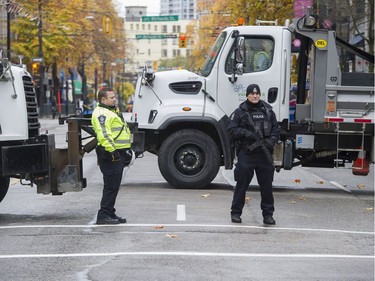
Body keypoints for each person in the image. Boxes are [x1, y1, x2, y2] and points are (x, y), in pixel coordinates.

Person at [228, 84, 281, 225]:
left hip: (264, 154)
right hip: (247, 153)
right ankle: (236, 213)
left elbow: (276, 129)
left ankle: (268, 215)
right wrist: (247, 133)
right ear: (247, 95)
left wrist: (271, 141)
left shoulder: (268, 111)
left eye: (257, 93)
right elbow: (231, 131)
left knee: (267, 187)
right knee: (241, 185)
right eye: (252, 93)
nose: (255, 96)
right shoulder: (239, 112)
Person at [91, 88, 133, 225]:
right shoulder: (101, 114)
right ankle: (103, 214)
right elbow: (104, 135)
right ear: (103, 100)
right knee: (110, 185)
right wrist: (113, 152)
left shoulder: (110, 111)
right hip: (110, 154)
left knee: (114, 185)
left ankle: (109, 212)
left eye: (114, 97)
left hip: (116, 153)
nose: (115, 99)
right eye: (111, 97)